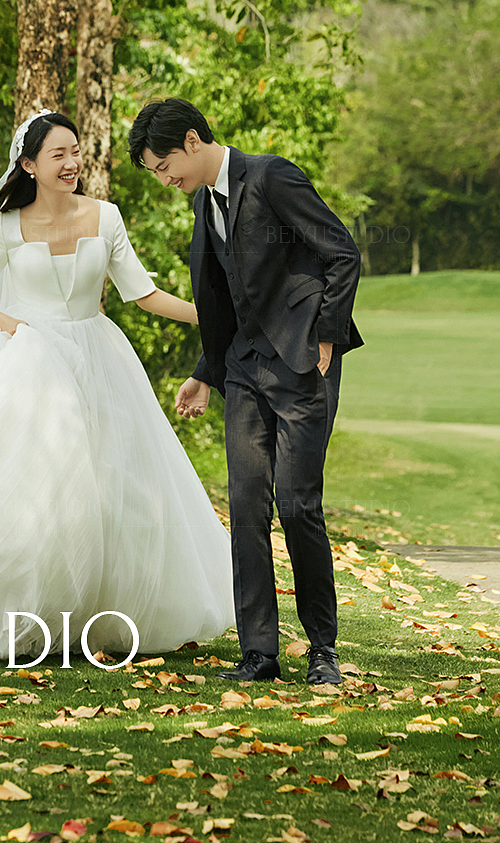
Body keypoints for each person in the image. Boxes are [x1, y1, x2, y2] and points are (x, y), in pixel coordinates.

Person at [0, 110, 236, 666]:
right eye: (57, 154)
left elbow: (144, 294)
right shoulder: (4, 226)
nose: (71, 163)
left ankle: (95, 616)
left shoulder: (106, 218)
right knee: (23, 485)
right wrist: (15, 328)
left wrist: (217, 317)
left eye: (75, 151)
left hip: (97, 358)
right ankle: (14, 614)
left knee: (111, 484)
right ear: (30, 165)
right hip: (26, 359)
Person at [129, 97, 363, 687]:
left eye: (163, 166)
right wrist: (207, 372)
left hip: (303, 366)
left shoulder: (270, 176)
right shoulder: (205, 205)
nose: (164, 180)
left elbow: (342, 252)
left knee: (297, 506)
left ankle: (323, 651)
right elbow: (223, 301)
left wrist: (327, 337)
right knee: (247, 510)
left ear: (191, 140)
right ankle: (259, 653)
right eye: (154, 174)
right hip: (242, 372)